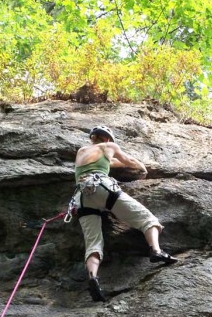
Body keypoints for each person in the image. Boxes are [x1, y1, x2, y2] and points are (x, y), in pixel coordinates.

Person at [74, 125, 177, 302]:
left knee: (93, 243)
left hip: (81, 197)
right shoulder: (109, 146)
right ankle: (157, 251)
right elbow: (127, 160)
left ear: (92, 138)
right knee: (147, 219)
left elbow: (112, 162)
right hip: (102, 187)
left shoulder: (82, 152)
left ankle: (92, 277)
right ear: (107, 138)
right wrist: (142, 168)